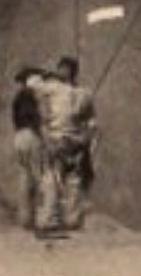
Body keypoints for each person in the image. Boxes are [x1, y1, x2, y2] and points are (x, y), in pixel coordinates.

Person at [35, 55, 99, 231]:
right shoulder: (83, 93)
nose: (60, 72)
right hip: (61, 140)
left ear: (68, 71)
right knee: (62, 180)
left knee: (64, 180)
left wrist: (85, 140)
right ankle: (61, 219)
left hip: (65, 140)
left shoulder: (59, 90)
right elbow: (92, 123)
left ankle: (61, 220)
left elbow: (92, 123)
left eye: (62, 68)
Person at [10, 65, 58, 233]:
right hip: (31, 136)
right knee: (45, 176)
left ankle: (25, 219)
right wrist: (45, 140)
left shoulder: (18, 97)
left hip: (19, 137)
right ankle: (45, 220)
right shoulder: (30, 96)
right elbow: (34, 121)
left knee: (25, 176)